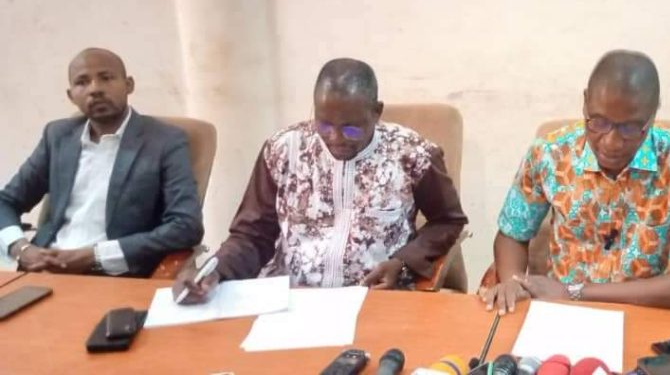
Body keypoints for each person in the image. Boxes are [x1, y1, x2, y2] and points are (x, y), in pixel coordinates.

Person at [174, 58, 467, 302]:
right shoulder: (283, 149)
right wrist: (216, 271)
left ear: (376, 112)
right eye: (324, 125)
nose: (335, 138)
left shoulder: (412, 154)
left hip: (375, 299)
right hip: (290, 298)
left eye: (351, 129)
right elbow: (252, 235)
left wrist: (402, 262)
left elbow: (447, 221)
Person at [480, 50, 670, 313]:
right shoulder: (550, 154)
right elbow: (512, 234)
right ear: (585, 102)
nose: (611, 142)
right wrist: (514, 282)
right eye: (599, 122)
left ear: (653, 114)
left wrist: (573, 292)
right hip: (562, 315)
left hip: (647, 313)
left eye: (630, 128)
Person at [0, 48, 204, 277]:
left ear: (128, 85)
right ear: (71, 95)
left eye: (106, 78)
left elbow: (186, 226)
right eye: (82, 82)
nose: (95, 89)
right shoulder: (58, 137)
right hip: (43, 270)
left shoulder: (165, 140)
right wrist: (21, 249)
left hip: (113, 277)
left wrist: (95, 256)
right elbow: (5, 202)